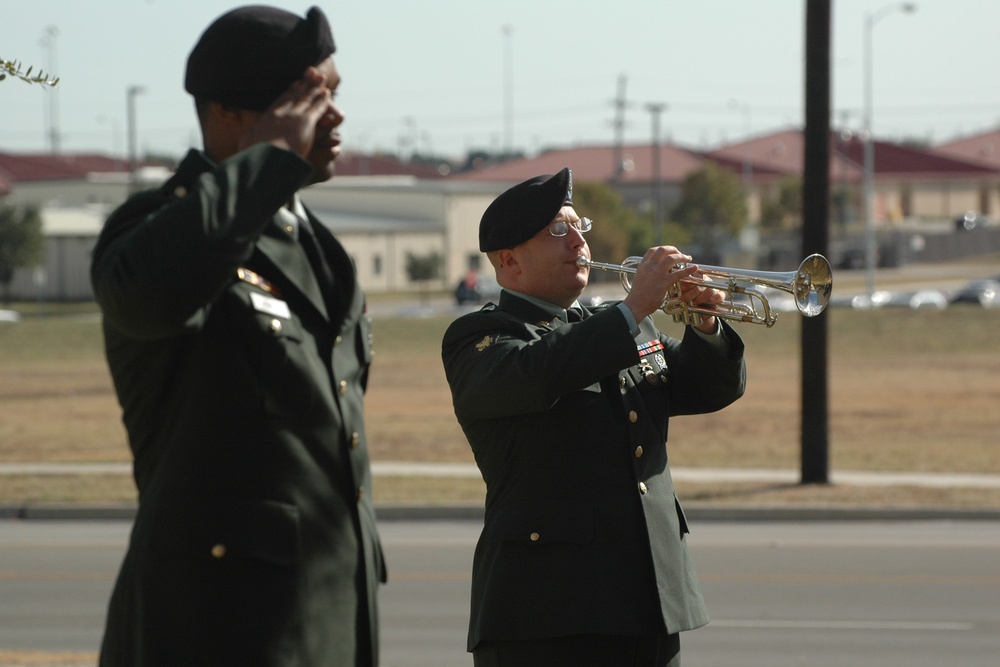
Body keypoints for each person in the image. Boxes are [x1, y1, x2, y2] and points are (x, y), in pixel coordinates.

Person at [90, 6, 384, 666]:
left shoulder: (319, 249)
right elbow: (147, 295)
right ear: (226, 112)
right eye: (305, 100)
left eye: (332, 94)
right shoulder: (157, 226)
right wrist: (274, 154)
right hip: (214, 629)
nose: (330, 116)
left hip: (329, 622)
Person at [441, 168, 747, 667]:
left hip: (648, 602)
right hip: (548, 614)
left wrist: (707, 324)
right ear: (509, 261)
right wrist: (631, 310)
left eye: (579, 225)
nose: (579, 241)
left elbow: (708, 387)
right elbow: (541, 371)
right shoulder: (482, 338)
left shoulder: (615, 327)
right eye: (557, 231)